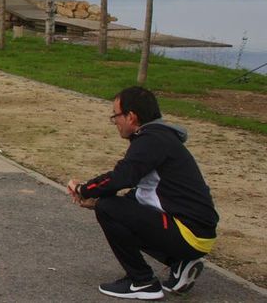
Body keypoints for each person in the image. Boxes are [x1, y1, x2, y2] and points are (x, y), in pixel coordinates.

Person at [67, 86, 218, 300]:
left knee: (108, 208)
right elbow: (145, 193)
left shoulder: (151, 140)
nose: (114, 121)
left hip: (189, 232)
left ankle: (142, 281)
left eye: (116, 115)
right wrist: (95, 199)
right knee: (114, 207)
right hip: (197, 232)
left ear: (131, 117)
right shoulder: (160, 137)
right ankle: (179, 262)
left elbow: (121, 177)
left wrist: (83, 189)